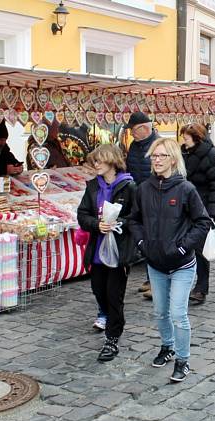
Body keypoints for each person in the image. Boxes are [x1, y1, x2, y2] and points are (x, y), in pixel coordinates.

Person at [128, 138, 211, 382]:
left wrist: (184, 247)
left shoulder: (186, 189)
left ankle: (183, 360)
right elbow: (134, 219)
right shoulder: (144, 188)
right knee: (160, 312)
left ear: (173, 159)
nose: (156, 160)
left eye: (162, 155)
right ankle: (167, 346)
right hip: (155, 263)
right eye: (154, 156)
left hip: (182, 264)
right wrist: (143, 244)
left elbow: (202, 222)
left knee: (178, 313)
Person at [77, 145, 136, 362]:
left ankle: (112, 338)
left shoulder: (129, 186)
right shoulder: (93, 186)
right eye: (95, 161)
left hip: (119, 251)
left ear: (112, 160)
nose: (96, 165)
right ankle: (108, 318)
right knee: (98, 290)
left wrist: (119, 223)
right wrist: (96, 224)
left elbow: (136, 217)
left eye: (100, 161)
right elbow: (82, 214)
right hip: (97, 249)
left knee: (114, 295)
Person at [180, 123, 215, 305]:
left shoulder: (210, 155)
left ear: (196, 138)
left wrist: (212, 214)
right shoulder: (182, 153)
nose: (183, 140)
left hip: (203, 207)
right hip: (183, 207)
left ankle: (201, 288)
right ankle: (181, 284)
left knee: (200, 250)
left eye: (186, 137)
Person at [125, 112, 160, 299]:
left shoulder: (159, 146)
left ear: (144, 128)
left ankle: (156, 281)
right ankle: (150, 279)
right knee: (145, 240)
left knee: (155, 240)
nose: (131, 133)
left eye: (133, 130)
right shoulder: (134, 146)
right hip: (138, 200)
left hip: (155, 200)